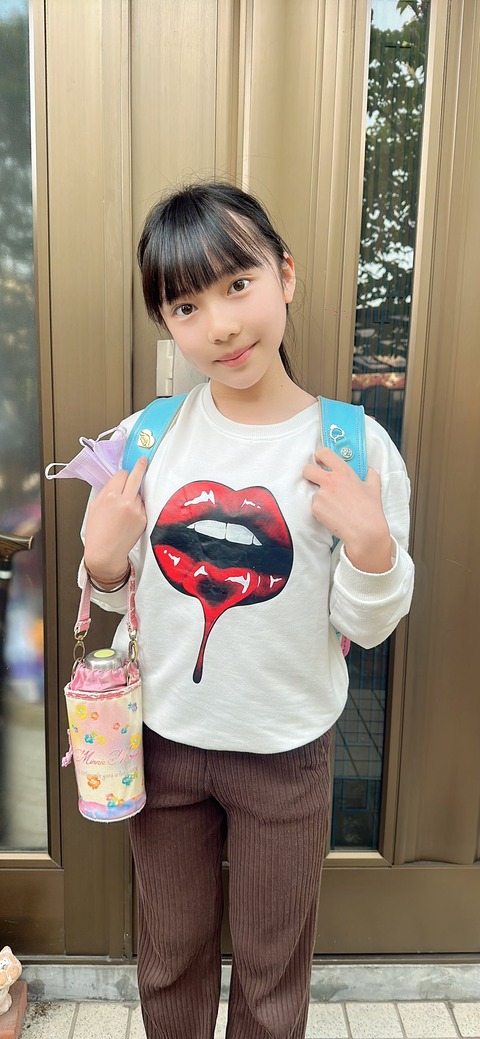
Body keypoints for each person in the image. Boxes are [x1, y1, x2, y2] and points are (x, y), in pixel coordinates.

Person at [80, 181, 414, 1039]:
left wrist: (373, 549)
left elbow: (366, 625)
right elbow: (117, 594)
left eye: (238, 284)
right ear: (166, 322)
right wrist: (104, 557)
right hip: (164, 745)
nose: (221, 326)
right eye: (187, 306)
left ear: (285, 275)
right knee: (169, 958)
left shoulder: (354, 448)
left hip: (287, 751)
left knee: (272, 978)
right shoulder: (147, 437)